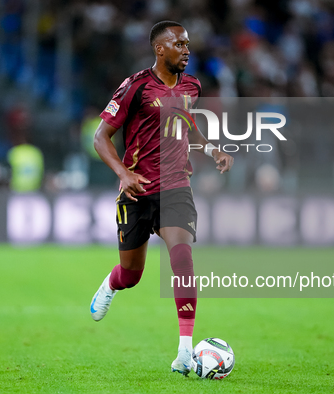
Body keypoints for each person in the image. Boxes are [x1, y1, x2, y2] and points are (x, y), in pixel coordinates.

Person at [89, 21, 234, 376]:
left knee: (182, 259)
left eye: (188, 44)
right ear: (160, 49)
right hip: (137, 191)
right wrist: (124, 174)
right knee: (131, 275)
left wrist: (210, 148)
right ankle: (111, 283)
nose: (187, 50)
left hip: (176, 187)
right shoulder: (135, 87)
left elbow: (186, 122)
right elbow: (100, 137)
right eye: (179, 44)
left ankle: (185, 352)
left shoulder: (192, 85)